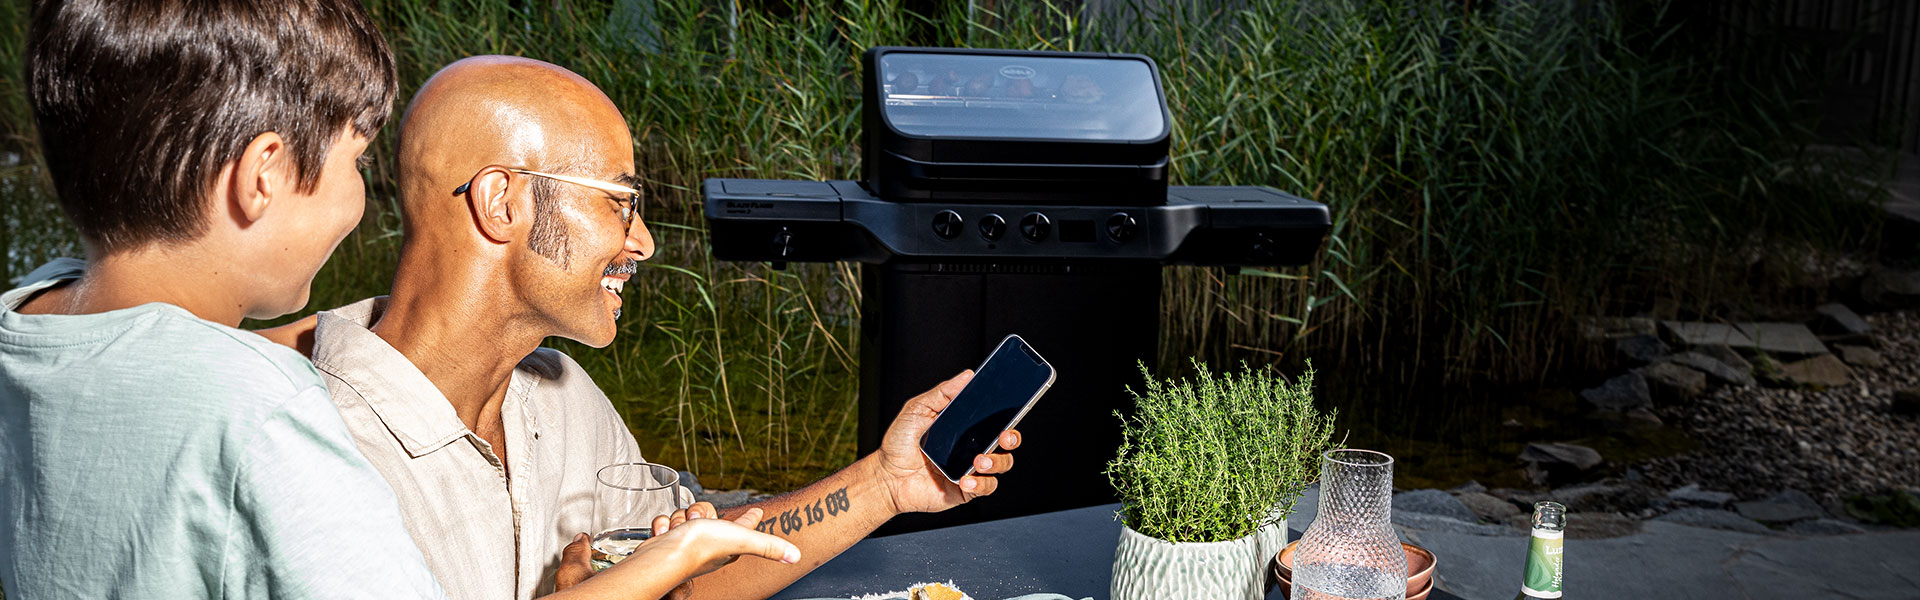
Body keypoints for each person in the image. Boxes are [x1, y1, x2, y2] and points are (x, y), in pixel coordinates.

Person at [1, 2, 790, 598]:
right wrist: (655, 570)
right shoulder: (262, 415)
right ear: (264, 175)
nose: (363, 199)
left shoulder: (26, 324)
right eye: (357, 161)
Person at [257, 55, 1023, 600]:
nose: (645, 240)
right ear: (502, 203)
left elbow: (692, 568)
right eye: (619, 202)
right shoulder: (310, 448)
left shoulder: (558, 398)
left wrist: (887, 483)